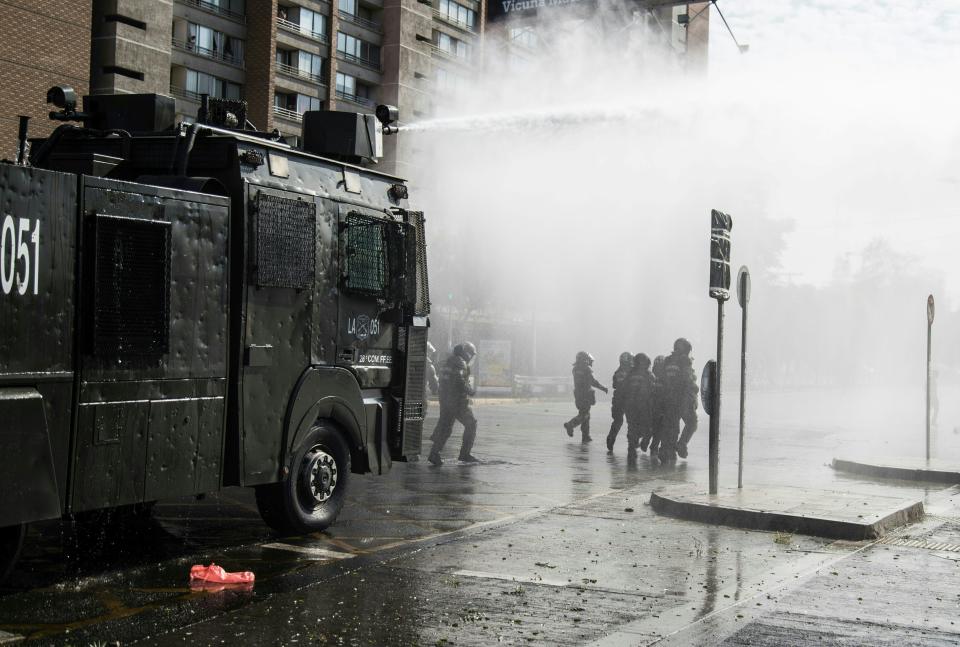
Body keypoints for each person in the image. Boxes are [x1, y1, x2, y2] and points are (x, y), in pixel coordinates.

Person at [428, 342, 479, 465]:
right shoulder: (460, 362)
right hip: (457, 401)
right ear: (467, 353)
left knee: (445, 426)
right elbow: (459, 380)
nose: (471, 357)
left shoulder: (449, 361)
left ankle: (434, 454)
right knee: (471, 424)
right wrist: (470, 391)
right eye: (471, 354)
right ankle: (465, 454)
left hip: (445, 400)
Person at [659, 338, 698, 463]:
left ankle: (665, 450)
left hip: (667, 399)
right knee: (692, 423)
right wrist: (695, 388)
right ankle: (681, 445)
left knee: (671, 426)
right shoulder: (684, 361)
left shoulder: (667, 361)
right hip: (682, 399)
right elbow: (687, 379)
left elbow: (662, 379)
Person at [564, 351, 608, 443]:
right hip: (585, 394)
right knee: (585, 415)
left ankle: (585, 436)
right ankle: (570, 424)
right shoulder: (586, 369)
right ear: (584, 360)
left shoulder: (575, 369)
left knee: (585, 414)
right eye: (587, 359)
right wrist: (603, 388)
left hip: (578, 394)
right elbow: (593, 381)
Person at [623, 353, 655, 460]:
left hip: (630, 406)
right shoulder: (649, 375)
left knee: (632, 427)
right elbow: (653, 390)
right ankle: (643, 443)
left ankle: (632, 447)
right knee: (648, 428)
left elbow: (624, 388)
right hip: (643, 406)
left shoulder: (630, 374)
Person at [606, 352, 634, 452]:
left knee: (617, 421)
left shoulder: (617, 371)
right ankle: (633, 444)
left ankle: (611, 438)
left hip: (617, 399)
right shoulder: (632, 371)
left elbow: (614, 385)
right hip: (628, 399)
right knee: (632, 422)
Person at [646, 355, 668, 456]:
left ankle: (651, 446)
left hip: (653, 406)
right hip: (659, 406)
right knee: (660, 428)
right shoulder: (665, 375)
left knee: (654, 427)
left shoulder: (651, 374)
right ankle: (653, 448)